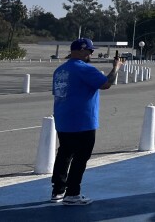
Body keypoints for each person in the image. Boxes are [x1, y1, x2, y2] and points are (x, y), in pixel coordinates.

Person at [50, 38, 122, 205]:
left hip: (63, 118)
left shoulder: (60, 70)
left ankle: (58, 190)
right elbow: (106, 84)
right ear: (82, 51)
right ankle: (73, 193)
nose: (91, 54)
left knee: (64, 154)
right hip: (82, 120)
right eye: (90, 51)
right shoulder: (85, 69)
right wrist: (116, 67)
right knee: (81, 156)